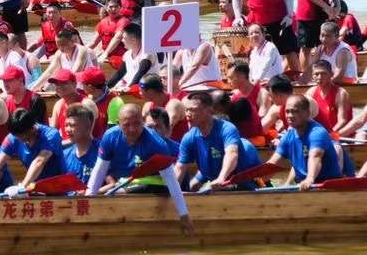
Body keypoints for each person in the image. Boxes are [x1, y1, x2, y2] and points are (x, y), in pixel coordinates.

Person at [85, 104, 193, 232]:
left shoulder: (157, 143)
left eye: (136, 123)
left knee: (116, 193)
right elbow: (100, 170)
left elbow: (171, 180)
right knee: (100, 193)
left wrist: (183, 214)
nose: (132, 129)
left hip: (157, 182)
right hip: (129, 181)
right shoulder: (110, 137)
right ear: (118, 124)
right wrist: (89, 197)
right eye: (126, 125)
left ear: (143, 120)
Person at [178, 92, 262, 190]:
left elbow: (232, 153)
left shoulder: (227, 129)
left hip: (244, 183)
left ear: (209, 110)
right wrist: (171, 190)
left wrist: (221, 178)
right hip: (218, 184)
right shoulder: (189, 137)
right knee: (193, 187)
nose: (188, 114)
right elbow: (180, 167)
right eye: (187, 110)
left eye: (193, 110)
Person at [264, 95, 345, 188]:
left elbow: (315, 157)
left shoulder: (318, 133)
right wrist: (256, 178)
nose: (290, 116)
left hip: (325, 186)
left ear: (307, 113)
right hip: (302, 185)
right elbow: (273, 163)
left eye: (295, 111)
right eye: (287, 112)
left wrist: (310, 179)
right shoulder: (288, 136)